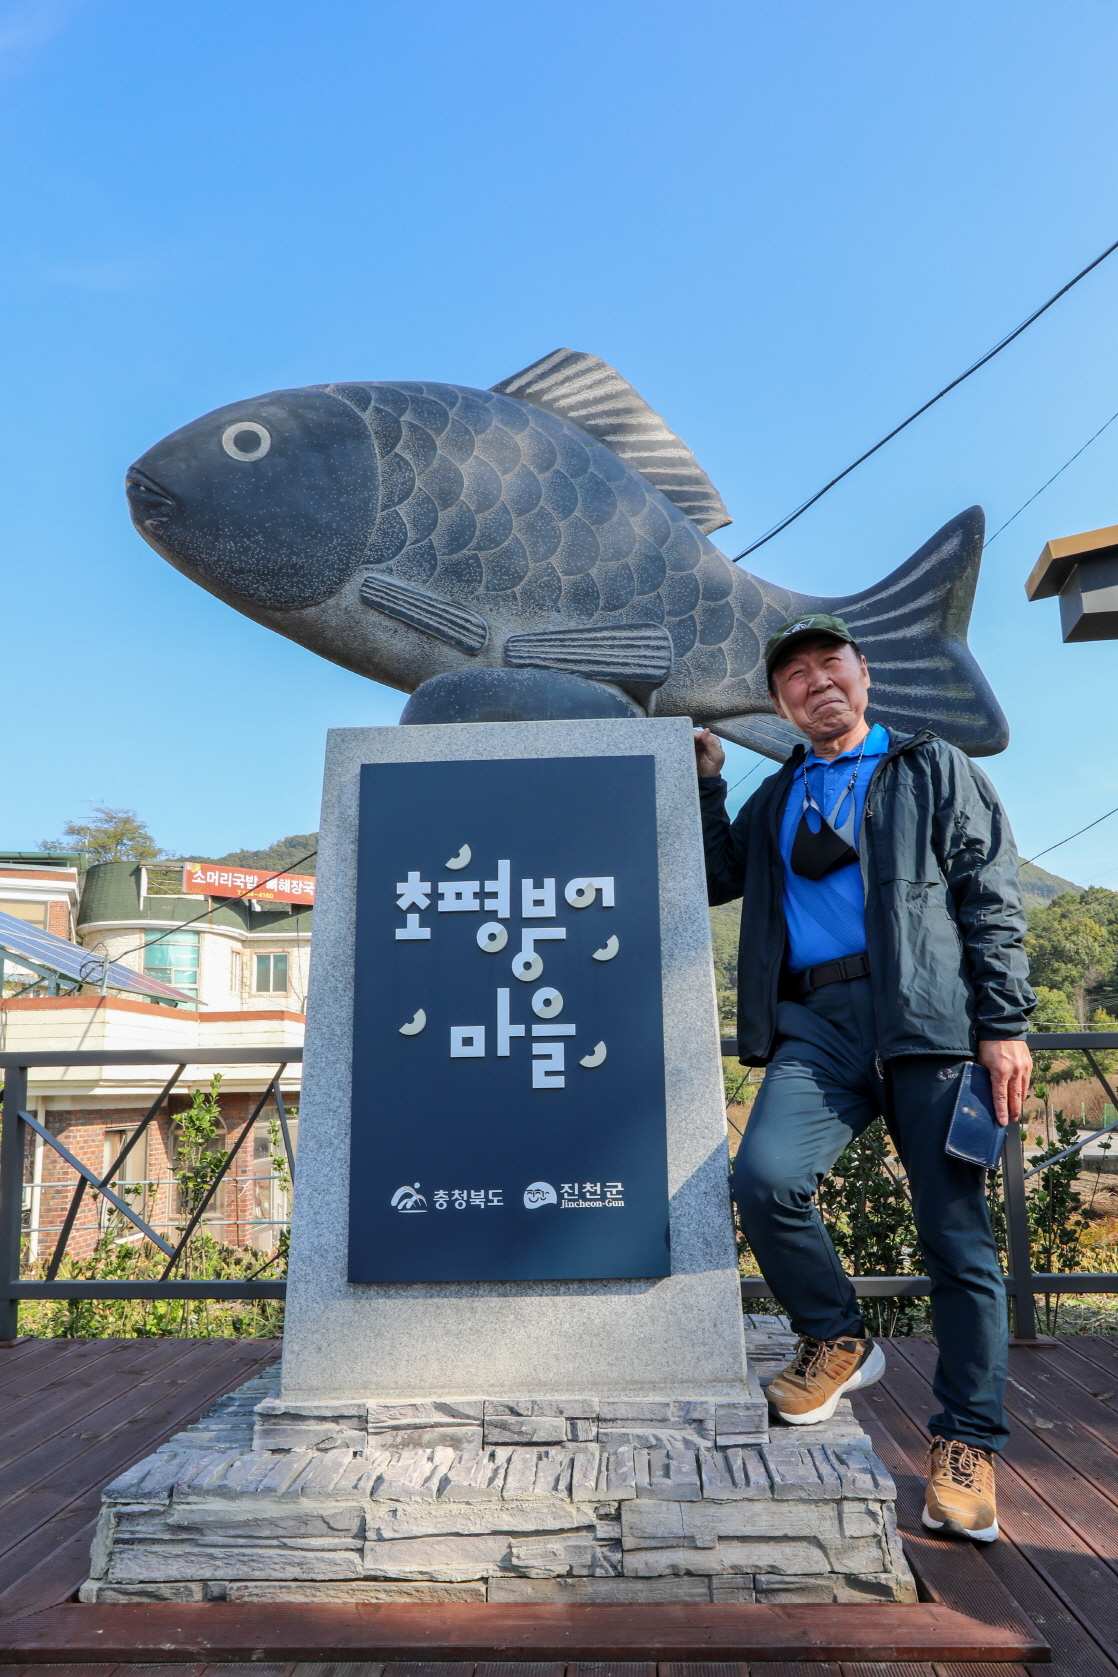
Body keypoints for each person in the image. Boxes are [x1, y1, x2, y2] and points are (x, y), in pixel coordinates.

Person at [695, 614, 1034, 1545]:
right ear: (780, 705)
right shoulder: (778, 793)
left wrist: (1004, 1024)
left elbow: (989, 892)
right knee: (763, 1177)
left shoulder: (932, 766)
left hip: (929, 1021)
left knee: (957, 1238)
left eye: (829, 663)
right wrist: (711, 781)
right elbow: (719, 877)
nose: (816, 682)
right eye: (794, 676)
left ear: (863, 674)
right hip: (818, 1024)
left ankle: (966, 1443)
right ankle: (838, 1332)